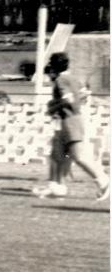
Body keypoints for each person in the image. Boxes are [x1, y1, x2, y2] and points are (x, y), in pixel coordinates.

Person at [31, 52, 109, 201]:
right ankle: (57, 187)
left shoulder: (61, 80)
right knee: (57, 154)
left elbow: (68, 100)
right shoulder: (74, 78)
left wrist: (52, 107)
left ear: (54, 65)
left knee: (78, 156)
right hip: (71, 119)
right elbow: (85, 94)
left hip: (69, 120)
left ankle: (104, 181)